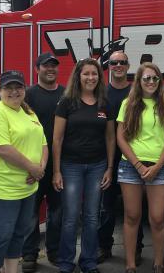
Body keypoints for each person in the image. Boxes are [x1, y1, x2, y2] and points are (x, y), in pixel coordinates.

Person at [0, 70, 47, 273]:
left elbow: (43, 142)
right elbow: (3, 149)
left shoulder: (28, 112)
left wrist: (40, 167)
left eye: (19, 87)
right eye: (9, 88)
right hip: (1, 188)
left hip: (26, 187)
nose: (14, 92)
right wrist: (33, 168)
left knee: (19, 233)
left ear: (25, 90)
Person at [52, 58, 115, 273]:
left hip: (97, 166)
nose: (90, 78)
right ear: (78, 76)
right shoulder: (67, 102)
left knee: (91, 217)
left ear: (99, 77)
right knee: (70, 217)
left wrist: (109, 168)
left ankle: (88, 262)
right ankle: (66, 262)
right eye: (86, 74)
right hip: (71, 167)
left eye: (94, 74)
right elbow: (57, 139)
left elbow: (110, 138)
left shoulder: (104, 103)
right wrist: (57, 171)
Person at [117, 62, 164, 273]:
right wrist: (137, 164)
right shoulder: (128, 104)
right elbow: (120, 138)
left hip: (159, 167)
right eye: (147, 79)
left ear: (160, 81)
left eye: (155, 78)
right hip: (130, 166)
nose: (151, 82)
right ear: (139, 81)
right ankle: (130, 264)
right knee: (132, 216)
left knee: (158, 217)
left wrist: (157, 166)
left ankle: (159, 263)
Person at [98, 51, 145, 264]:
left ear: (128, 66)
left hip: (132, 158)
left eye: (122, 62)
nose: (118, 65)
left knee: (134, 208)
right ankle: (104, 246)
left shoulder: (136, 93)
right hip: (107, 158)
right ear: (109, 66)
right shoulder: (102, 93)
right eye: (114, 62)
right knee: (106, 206)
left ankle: (136, 248)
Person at [22, 52, 65, 272]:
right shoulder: (27, 95)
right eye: (46, 66)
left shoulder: (66, 93)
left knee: (57, 212)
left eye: (54, 66)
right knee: (30, 213)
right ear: (37, 68)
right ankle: (29, 254)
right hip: (33, 165)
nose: (51, 69)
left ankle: (54, 251)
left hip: (59, 165)